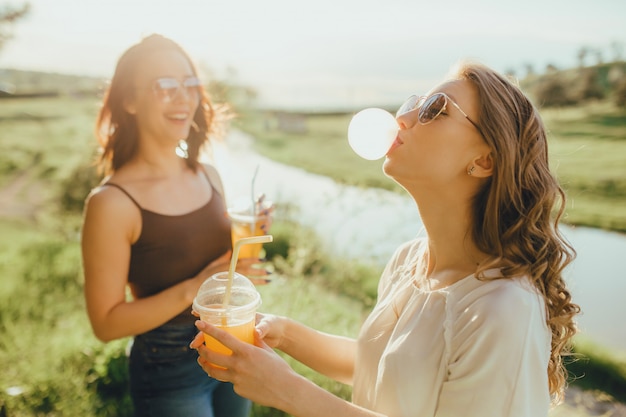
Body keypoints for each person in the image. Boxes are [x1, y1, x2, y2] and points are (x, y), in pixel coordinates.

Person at [190, 61, 581, 417]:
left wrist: (287, 390)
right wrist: (281, 332)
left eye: (435, 109)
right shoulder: (409, 262)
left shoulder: (502, 309)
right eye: (415, 102)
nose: (402, 117)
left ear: (484, 161)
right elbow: (384, 365)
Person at [81, 34, 271, 417]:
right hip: (167, 364)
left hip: (233, 344)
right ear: (129, 101)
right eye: (165, 86)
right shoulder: (111, 203)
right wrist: (194, 287)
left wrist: (244, 247)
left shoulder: (210, 175)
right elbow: (105, 323)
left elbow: (219, 264)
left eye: (190, 85)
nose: (183, 97)